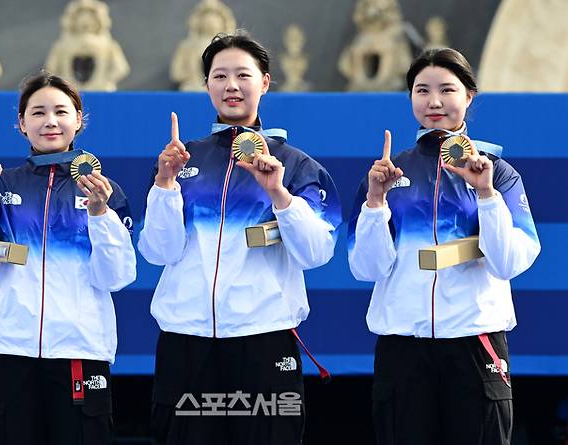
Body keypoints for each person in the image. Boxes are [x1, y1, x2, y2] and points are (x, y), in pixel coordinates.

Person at [138, 31, 342, 445]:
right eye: (219, 76)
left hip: (264, 340)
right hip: (187, 341)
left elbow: (317, 253)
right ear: (207, 85)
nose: (231, 86)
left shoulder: (296, 165)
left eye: (243, 75)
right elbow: (159, 251)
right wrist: (164, 183)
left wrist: (279, 195)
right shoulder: (182, 159)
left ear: (265, 82)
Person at [347, 48, 541, 444]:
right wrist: (375, 202)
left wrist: (485, 193)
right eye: (422, 90)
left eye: (447, 90)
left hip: (475, 342)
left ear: (469, 95)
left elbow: (510, 262)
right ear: (411, 99)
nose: (434, 102)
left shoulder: (498, 173)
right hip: (403, 347)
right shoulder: (388, 173)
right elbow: (366, 269)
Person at [0, 71, 137, 444]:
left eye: (61, 111)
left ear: (79, 119)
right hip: (9, 350)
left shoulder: (105, 192)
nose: (50, 121)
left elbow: (116, 277)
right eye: (38, 113)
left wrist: (99, 213)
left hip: (80, 350)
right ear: (21, 124)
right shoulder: (0, 186)